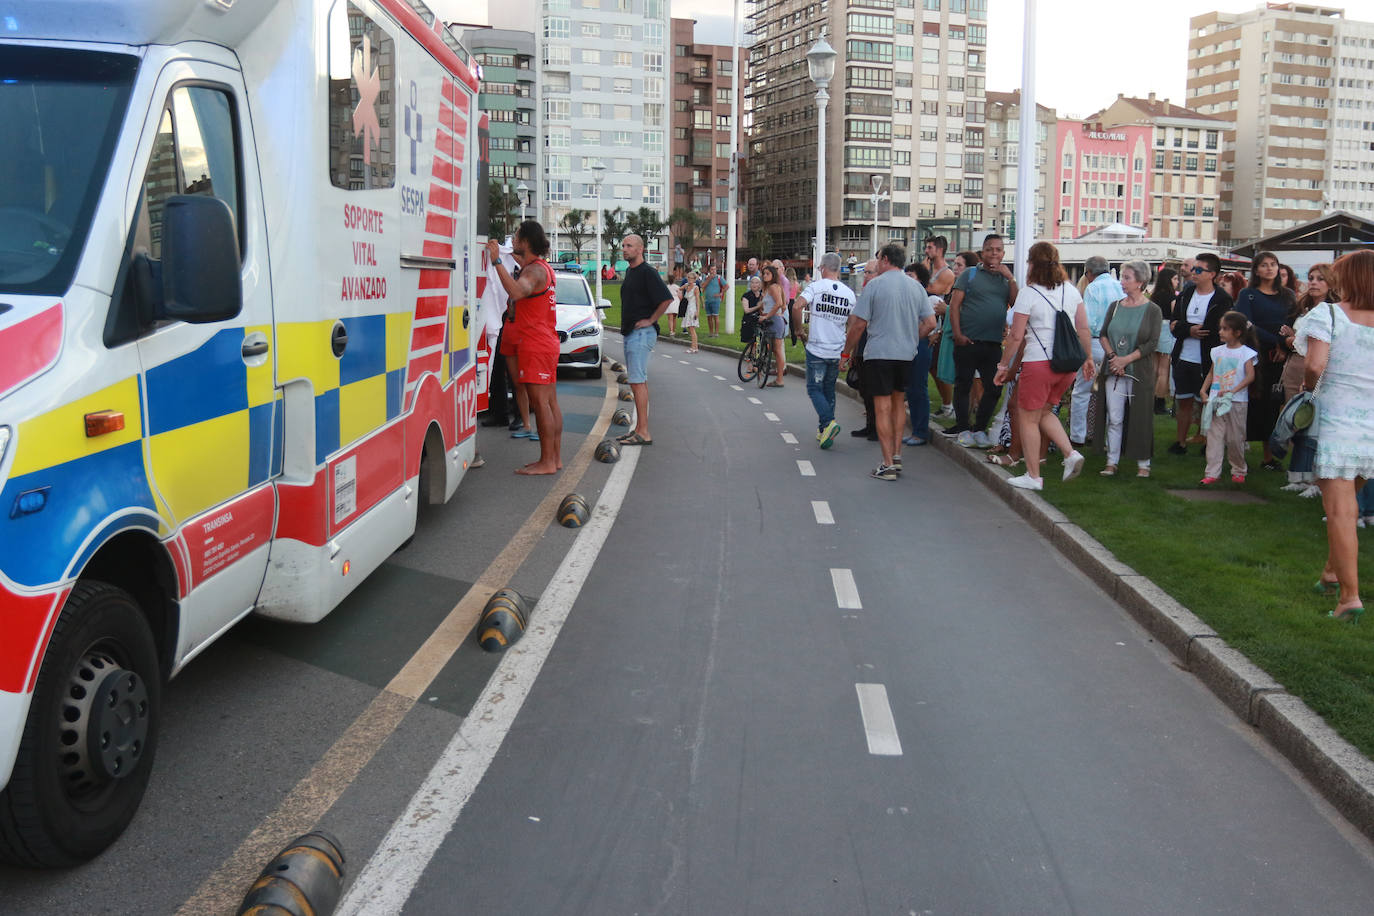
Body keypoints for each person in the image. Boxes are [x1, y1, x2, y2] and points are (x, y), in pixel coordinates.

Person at [1298, 250, 1374, 622]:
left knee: (1341, 510)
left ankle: (1349, 597)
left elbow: (1314, 364)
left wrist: (1309, 389)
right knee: (1351, 499)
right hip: (1372, 422)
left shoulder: (1327, 314)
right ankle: (1331, 573)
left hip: (1338, 419)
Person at [993, 241, 1093, 491]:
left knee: (1027, 418)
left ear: (1032, 264)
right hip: (1067, 365)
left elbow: (1016, 336)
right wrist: (1088, 358)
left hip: (1039, 363)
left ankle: (1033, 476)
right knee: (1044, 412)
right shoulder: (1070, 291)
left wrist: (1004, 366)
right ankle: (1070, 454)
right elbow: (1082, 327)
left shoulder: (1029, 293)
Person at [841, 244, 928, 480]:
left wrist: (846, 353)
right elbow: (929, 323)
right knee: (899, 403)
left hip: (879, 353)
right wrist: (912, 336)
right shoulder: (916, 287)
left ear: (886, 259)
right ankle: (897, 455)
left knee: (882, 408)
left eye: (879, 259)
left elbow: (859, 324)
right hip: (906, 354)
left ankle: (887, 463)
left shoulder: (875, 285)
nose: (877, 263)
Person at [486, 221, 562, 474]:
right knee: (549, 402)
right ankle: (554, 458)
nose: (512, 241)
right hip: (545, 343)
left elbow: (517, 291)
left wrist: (497, 262)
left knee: (540, 404)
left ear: (526, 242)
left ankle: (548, 461)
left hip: (536, 344)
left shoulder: (534, 272)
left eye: (516, 237)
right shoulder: (540, 268)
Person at [1093, 260, 1163, 478]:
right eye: (1122, 277)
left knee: (1140, 416)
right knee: (1115, 417)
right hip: (1113, 370)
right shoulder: (1114, 307)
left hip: (1139, 371)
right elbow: (1103, 334)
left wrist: (1126, 360)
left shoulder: (1152, 310)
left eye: (1127, 278)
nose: (1122, 282)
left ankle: (1144, 463)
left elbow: (1152, 342)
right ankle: (1111, 461)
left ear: (1140, 282)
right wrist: (1114, 358)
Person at [948, 234, 1017, 446]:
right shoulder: (969, 274)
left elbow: (1015, 303)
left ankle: (979, 428)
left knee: (994, 387)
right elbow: (955, 305)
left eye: (998, 249)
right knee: (963, 385)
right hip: (968, 341)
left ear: (1003, 253)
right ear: (982, 252)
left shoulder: (1006, 280)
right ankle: (963, 429)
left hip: (993, 343)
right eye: (990, 249)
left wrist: (1010, 278)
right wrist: (958, 334)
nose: (994, 253)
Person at [1235, 251, 1298, 470]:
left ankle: (1269, 457)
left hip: (1283, 356)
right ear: (1256, 270)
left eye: (1273, 264)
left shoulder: (1288, 295)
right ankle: (1237, 456)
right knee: (1251, 403)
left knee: (1273, 405)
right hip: (1255, 355)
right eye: (1264, 265)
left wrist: (1285, 345)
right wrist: (1277, 342)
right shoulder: (1247, 294)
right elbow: (1246, 324)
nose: (1269, 268)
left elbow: (1293, 323)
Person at [1169, 252, 1234, 455]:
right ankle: (1180, 442)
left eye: (1198, 269)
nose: (1193, 273)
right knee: (1184, 400)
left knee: (1208, 401)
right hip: (1183, 356)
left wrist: (1196, 330)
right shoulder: (1186, 294)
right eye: (1193, 268)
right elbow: (1174, 325)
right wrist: (1189, 330)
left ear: (1212, 274)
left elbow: (1219, 330)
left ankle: (1207, 440)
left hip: (1208, 359)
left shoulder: (1222, 299)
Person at [795, 252, 857, 448]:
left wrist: (798, 329)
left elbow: (797, 306)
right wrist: (848, 353)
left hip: (817, 348)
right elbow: (854, 325)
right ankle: (824, 429)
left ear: (822, 268)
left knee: (814, 389)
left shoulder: (816, 287)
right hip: (837, 348)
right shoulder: (849, 293)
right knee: (829, 390)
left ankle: (828, 423)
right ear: (838, 269)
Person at [617, 234, 675, 446]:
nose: (624, 248)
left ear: (640, 249)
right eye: (623, 245)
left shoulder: (647, 272)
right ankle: (640, 429)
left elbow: (667, 298)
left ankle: (643, 432)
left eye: (629, 245)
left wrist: (651, 319)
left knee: (637, 381)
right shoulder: (631, 271)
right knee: (637, 381)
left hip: (641, 334)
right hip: (631, 332)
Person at [1198, 311, 1259, 486]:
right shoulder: (1217, 351)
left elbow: (1250, 376)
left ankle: (1239, 469)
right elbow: (1212, 372)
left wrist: (1233, 390)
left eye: (1225, 329)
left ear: (1237, 332)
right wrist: (1204, 390)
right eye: (1221, 328)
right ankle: (1212, 472)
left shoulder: (1246, 353)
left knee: (1235, 438)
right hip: (1216, 400)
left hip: (1237, 401)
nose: (1220, 332)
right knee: (1214, 437)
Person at [1069, 256, 1123, 447]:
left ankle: (1078, 435)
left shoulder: (1092, 288)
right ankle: (1110, 439)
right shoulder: (1120, 286)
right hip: (1116, 345)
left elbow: (1088, 323)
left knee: (1082, 391)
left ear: (1088, 273)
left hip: (1094, 342)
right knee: (1112, 394)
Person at [922, 236, 957, 418]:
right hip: (925, 321)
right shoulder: (928, 269)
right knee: (929, 367)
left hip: (938, 324)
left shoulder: (946, 273)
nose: (926, 251)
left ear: (939, 249)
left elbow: (931, 288)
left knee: (936, 367)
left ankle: (948, 405)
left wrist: (920, 273)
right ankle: (942, 403)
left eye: (930, 248)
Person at [903, 261, 937, 445]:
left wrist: (913, 339)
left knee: (918, 389)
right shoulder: (908, 295)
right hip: (911, 346)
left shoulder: (924, 297)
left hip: (920, 345)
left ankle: (921, 431)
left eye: (911, 276)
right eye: (905, 275)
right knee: (912, 390)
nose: (907, 279)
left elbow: (931, 323)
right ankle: (916, 429)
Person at [1149, 266, 1180, 415]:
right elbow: (1175, 314)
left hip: (1154, 330)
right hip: (1167, 331)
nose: (1177, 282)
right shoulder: (1172, 297)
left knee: (1154, 369)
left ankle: (1150, 399)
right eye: (1175, 279)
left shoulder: (1154, 296)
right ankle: (1159, 402)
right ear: (1168, 280)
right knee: (1164, 370)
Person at [759, 263, 788, 387]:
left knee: (777, 350)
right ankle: (776, 377)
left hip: (774, 321)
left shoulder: (773, 287)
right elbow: (783, 305)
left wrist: (767, 315)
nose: (765, 276)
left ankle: (780, 379)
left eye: (767, 274)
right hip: (772, 320)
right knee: (774, 350)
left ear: (773, 275)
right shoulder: (773, 287)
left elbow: (779, 303)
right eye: (764, 274)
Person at [701, 263, 724, 338]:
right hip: (708, 300)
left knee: (715, 316)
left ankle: (716, 333)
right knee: (709, 317)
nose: (714, 271)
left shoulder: (719, 278)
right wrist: (709, 279)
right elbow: (703, 286)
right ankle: (711, 332)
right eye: (712, 269)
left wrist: (721, 294)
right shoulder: (706, 277)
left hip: (716, 300)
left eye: (715, 269)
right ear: (709, 270)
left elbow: (726, 286)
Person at [681, 269, 701, 353]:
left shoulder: (696, 288)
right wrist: (684, 286)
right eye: (688, 278)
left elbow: (697, 300)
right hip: (688, 308)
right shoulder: (687, 286)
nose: (689, 279)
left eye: (691, 278)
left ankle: (693, 347)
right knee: (690, 328)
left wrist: (697, 311)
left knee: (692, 329)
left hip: (693, 309)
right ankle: (695, 347)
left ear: (694, 279)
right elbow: (679, 289)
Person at [740, 274, 763, 346]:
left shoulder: (762, 295)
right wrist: (757, 307)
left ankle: (757, 355)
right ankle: (748, 356)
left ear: (760, 285)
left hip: (759, 320)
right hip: (749, 320)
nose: (754, 284)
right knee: (749, 343)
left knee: (758, 342)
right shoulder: (746, 295)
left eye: (756, 283)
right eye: (752, 282)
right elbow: (746, 310)